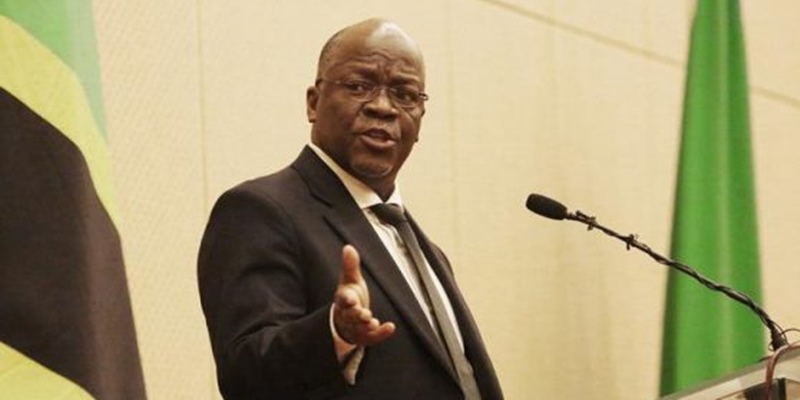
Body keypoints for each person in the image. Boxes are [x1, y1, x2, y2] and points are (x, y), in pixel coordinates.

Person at [198, 18, 504, 400]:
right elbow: (244, 373)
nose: (383, 107)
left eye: (404, 94)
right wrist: (334, 332)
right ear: (313, 103)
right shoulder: (259, 211)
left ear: (420, 118)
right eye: (359, 86)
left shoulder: (428, 251)